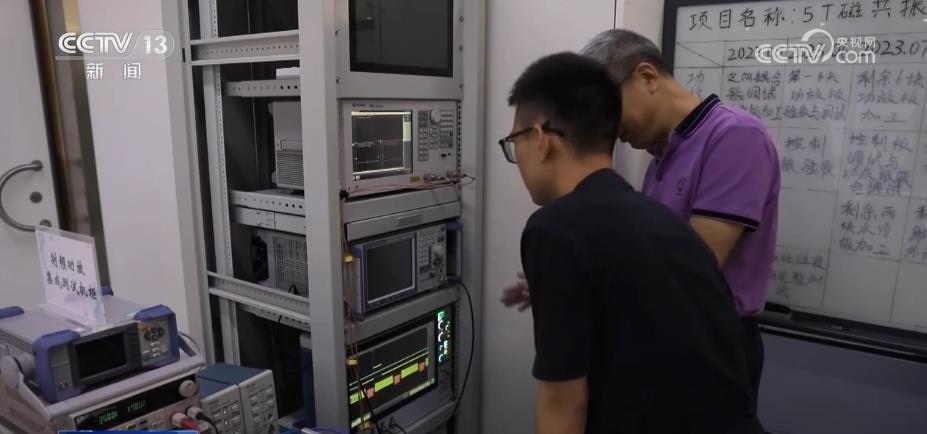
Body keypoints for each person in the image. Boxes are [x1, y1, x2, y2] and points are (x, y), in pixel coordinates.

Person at [503, 30, 780, 408]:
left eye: (608, 103)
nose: (608, 125)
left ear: (647, 76)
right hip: (659, 334)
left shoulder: (735, 136)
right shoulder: (661, 157)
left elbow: (691, 271)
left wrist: (582, 286)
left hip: (710, 341)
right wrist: (569, 279)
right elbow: (644, 261)